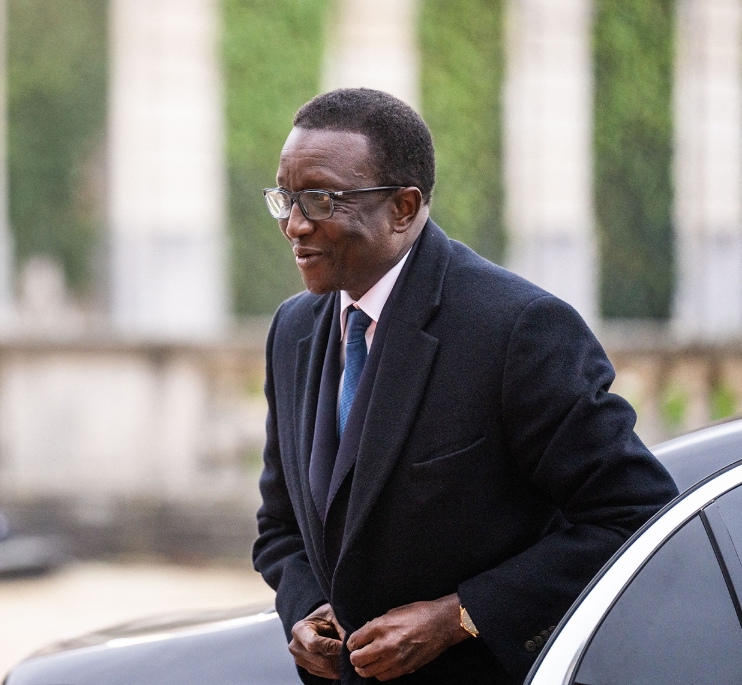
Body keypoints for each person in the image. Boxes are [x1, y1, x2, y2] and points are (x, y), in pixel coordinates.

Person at [251, 88, 678, 685]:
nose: (294, 224)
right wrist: (301, 612)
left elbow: (637, 514)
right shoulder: (293, 328)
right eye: (286, 198)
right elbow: (280, 528)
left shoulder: (517, 328)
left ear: (403, 207)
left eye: (320, 199)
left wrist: (460, 616)